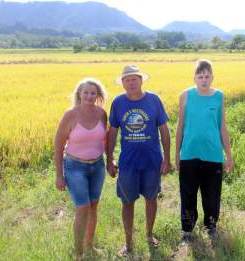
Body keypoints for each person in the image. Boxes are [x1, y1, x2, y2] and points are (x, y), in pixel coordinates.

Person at [106, 65, 171, 256]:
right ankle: (128, 243)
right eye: (127, 79)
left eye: (134, 78)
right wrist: (109, 160)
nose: (131, 82)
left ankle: (149, 235)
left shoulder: (154, 100)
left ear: (141, 80)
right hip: (128, 163)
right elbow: (112, 133)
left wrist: (167, 159)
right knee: (127, 202)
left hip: (152, 161)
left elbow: (164, 131)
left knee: (151, 198)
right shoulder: (118, 103)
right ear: (123, 83)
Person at [175, 59, 234, 244]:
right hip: (189, 153)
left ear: (212, 77)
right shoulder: (185, 96)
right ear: (194, 77)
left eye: (207, 76)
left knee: (212, 194)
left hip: (213, 154)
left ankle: (211, 226)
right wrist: (176, 154)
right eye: (200, 76)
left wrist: (229, 155)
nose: (204, 80)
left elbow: (222, 126)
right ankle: (187, 231)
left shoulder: (219, 96)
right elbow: (180, 126)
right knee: (188, 193)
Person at [54, 78, 108, 260]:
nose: (89, 96)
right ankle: (78, 253)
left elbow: (104, 140)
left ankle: (89, 246)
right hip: (75, 167)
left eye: (93, 93)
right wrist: (59, 175)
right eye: (86, 92)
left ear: (98, 95)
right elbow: (58, 146)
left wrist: (111, 161)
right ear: (79, 94)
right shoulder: (70, 115)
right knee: (82, 207)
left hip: (98, 166)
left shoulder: (102, 114)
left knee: (93, 207)